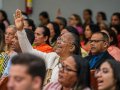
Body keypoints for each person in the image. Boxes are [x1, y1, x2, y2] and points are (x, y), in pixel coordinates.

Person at [14, 9, 81, 84]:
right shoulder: (52, 57)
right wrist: (20, 30)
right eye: (59, 39)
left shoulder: (75, 68)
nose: (58, 42)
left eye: (62, 40)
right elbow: (29, 51)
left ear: (72, 47)